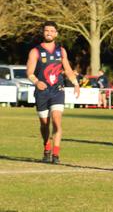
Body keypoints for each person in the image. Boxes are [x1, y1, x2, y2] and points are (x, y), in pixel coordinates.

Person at [25, 21, 80, 164]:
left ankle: (55, 155)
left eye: (52, 31)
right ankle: (46, 148)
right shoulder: (35, 51)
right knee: (44, 124)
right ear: (43, 33)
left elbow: (67, 69)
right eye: (46, 30)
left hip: (57, 90)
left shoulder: (61, 51)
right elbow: (29, 72)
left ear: (56, 33)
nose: (49, 33)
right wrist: (37, 82)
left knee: (57, 121)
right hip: (42, 92)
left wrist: (75, 83)